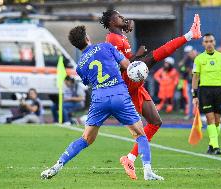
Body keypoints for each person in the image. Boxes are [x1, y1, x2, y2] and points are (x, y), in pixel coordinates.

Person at [41, 25, 164, 181]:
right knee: (140, 134)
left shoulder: (80, 67)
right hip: (119, 94)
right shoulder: (106, 47)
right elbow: (128, 66)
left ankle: (57, 166)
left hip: (99, 99)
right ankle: (147, 170)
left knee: (86, 139)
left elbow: (89, 81)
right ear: (87, 38)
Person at [100, 9, 201, 178]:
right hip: (125, 82)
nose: (123, 18)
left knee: (155, 122)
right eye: (118, 16)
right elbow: (114, 66)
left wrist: (131, 46)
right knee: (155, 55)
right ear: (111, 22)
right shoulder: (111, 39)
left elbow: (125, 58)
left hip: (134, 85)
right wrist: (136, 57)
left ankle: (131, 159)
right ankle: (191, 34)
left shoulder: (121, 36)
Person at [192, 33, 221, 155]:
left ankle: (211, 144)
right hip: (205, 91)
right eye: (206, 41)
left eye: (211, 41)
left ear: (214, 42)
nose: (209, 44)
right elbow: (195, 77)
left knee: (217, 120)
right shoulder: (199, 59)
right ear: (203, 44)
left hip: (219, 90)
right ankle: (216, 147)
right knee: (210, 118)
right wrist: (194, 96)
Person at [178, 45, 198, 119]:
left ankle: (197, 115)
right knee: (190, 99)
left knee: (197, 99)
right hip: (189, 82)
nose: (188, 54)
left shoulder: (198, 59)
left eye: (189, 52)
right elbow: (182, 68)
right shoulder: (187, 60)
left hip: (197, 83)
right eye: (186, 53)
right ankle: (190, 114)